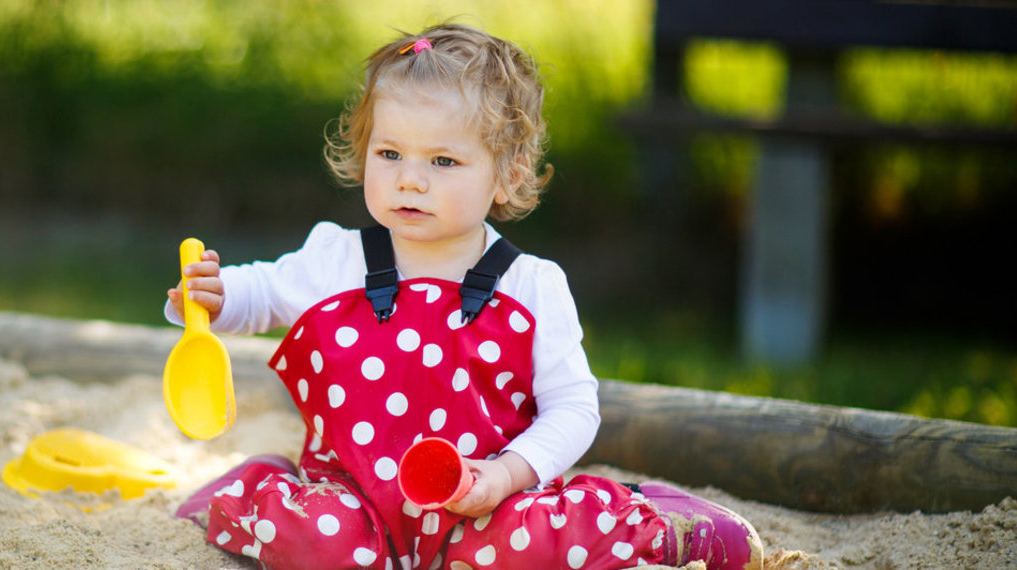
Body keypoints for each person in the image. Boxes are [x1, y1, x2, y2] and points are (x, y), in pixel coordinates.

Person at [165, 22, 764, 570]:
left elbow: (574, 409)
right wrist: (214, 298)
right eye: (390, 153)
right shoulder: (336, 259)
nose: (410, 178)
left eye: (444, 160)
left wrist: (506, 475)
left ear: (507, 174)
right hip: (352, 507)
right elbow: (261, 295)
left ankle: (666, 526)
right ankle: (256, 486)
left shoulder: (530, 285)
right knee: (317, 540)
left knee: (541, 543)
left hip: (484, 506)